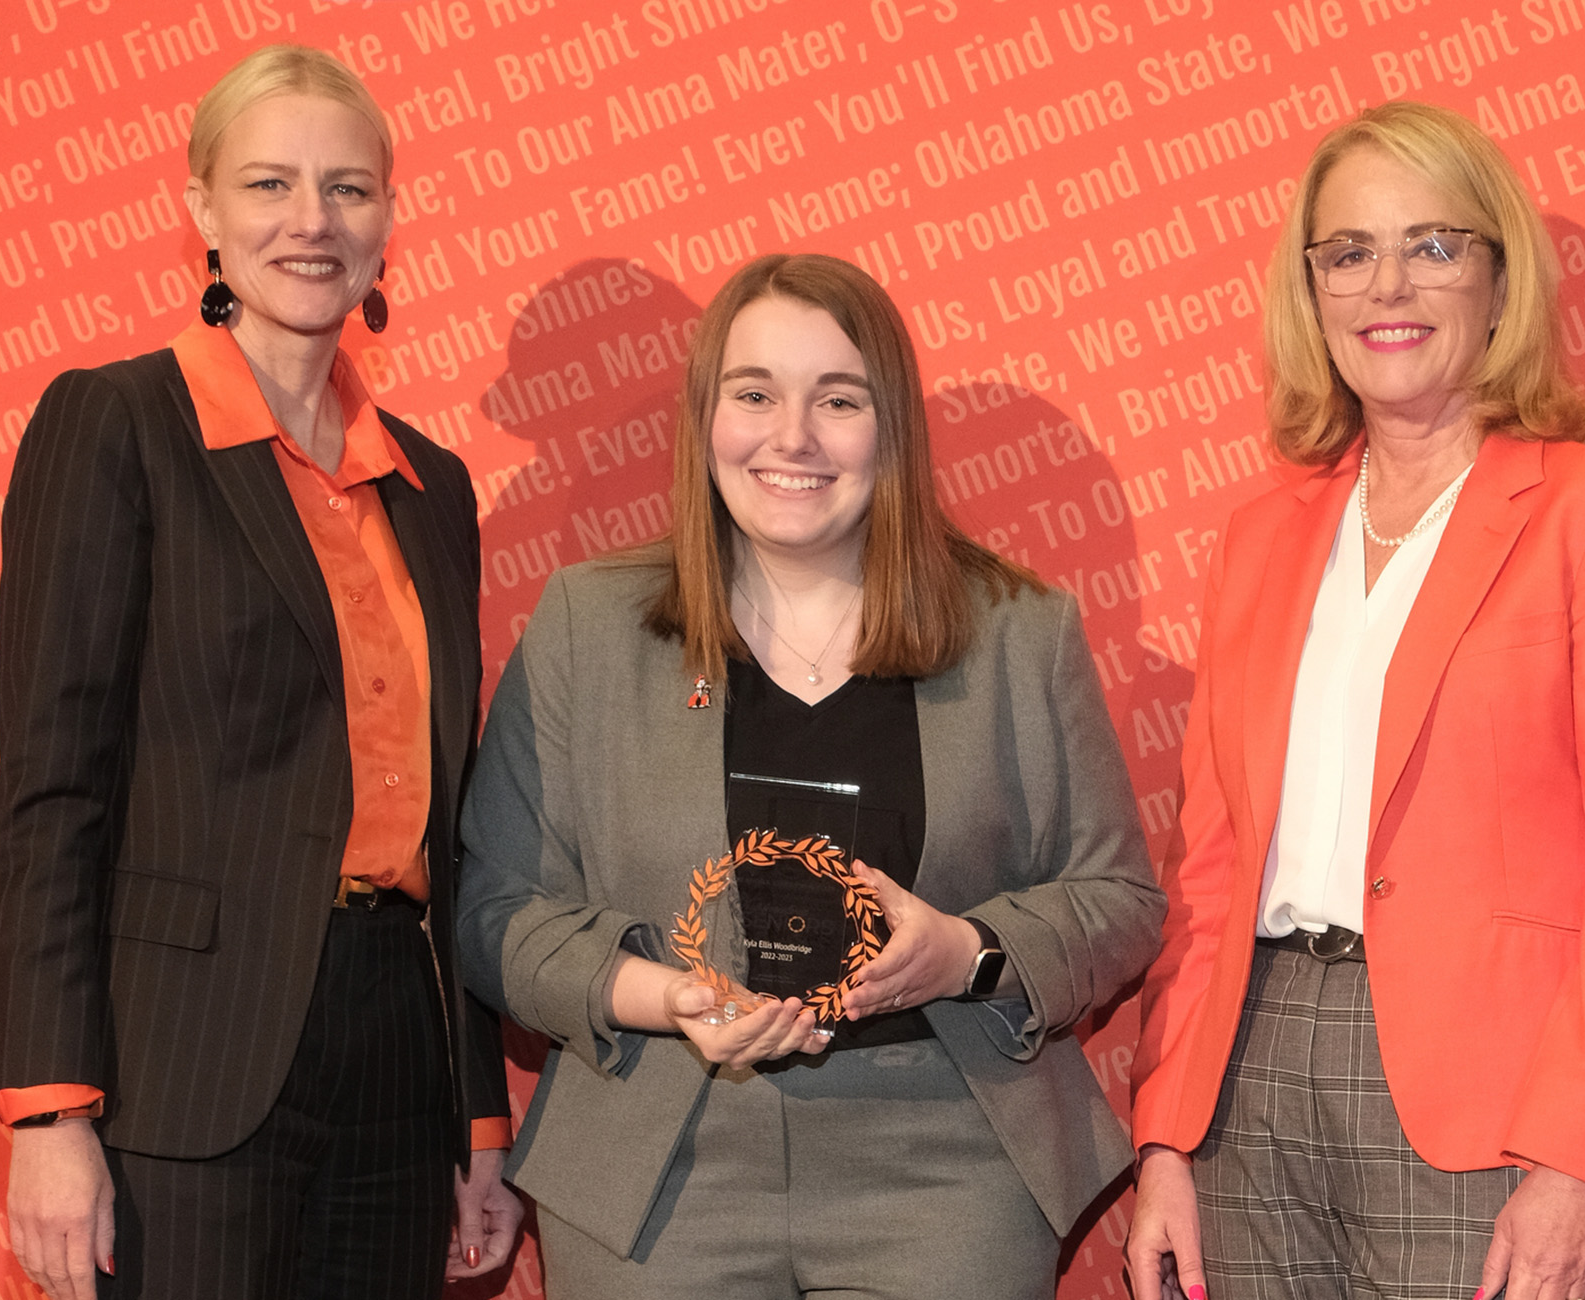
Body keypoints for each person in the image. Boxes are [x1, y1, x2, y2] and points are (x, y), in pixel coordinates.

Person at [455, 252, 1164, 1298]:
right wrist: (669, 996)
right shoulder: (586, 625)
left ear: (892, 430)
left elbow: (1119, 901)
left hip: (945, 1168)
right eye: (754, 395)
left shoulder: (1021, 632)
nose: (791, 437)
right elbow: (494, 910)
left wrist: (964, 952)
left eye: (837, 399)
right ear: (707, 418)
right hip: (657, 1160)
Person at [1125, 101, 1585, 1300]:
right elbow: (1211, 866)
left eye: (1433, 245)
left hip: (1493, 1107)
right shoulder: (1258, 539)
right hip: (1250, 1084)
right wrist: (1166, 1135)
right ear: (1312, 291)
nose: (1386, 282)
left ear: (1500, 283)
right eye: (1348, 252)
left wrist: (1578, 1156)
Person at [0, 44, 520, 1300]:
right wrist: (49, 1108)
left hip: (395, 1052)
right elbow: (52, 789)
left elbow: (458, 830)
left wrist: (475, 1120)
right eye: (269, 185)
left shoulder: (432, 487)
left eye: (349, 188)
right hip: (178, 1062)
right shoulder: (115, 424)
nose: (312, 223)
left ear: (388, 217)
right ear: (202, 213)